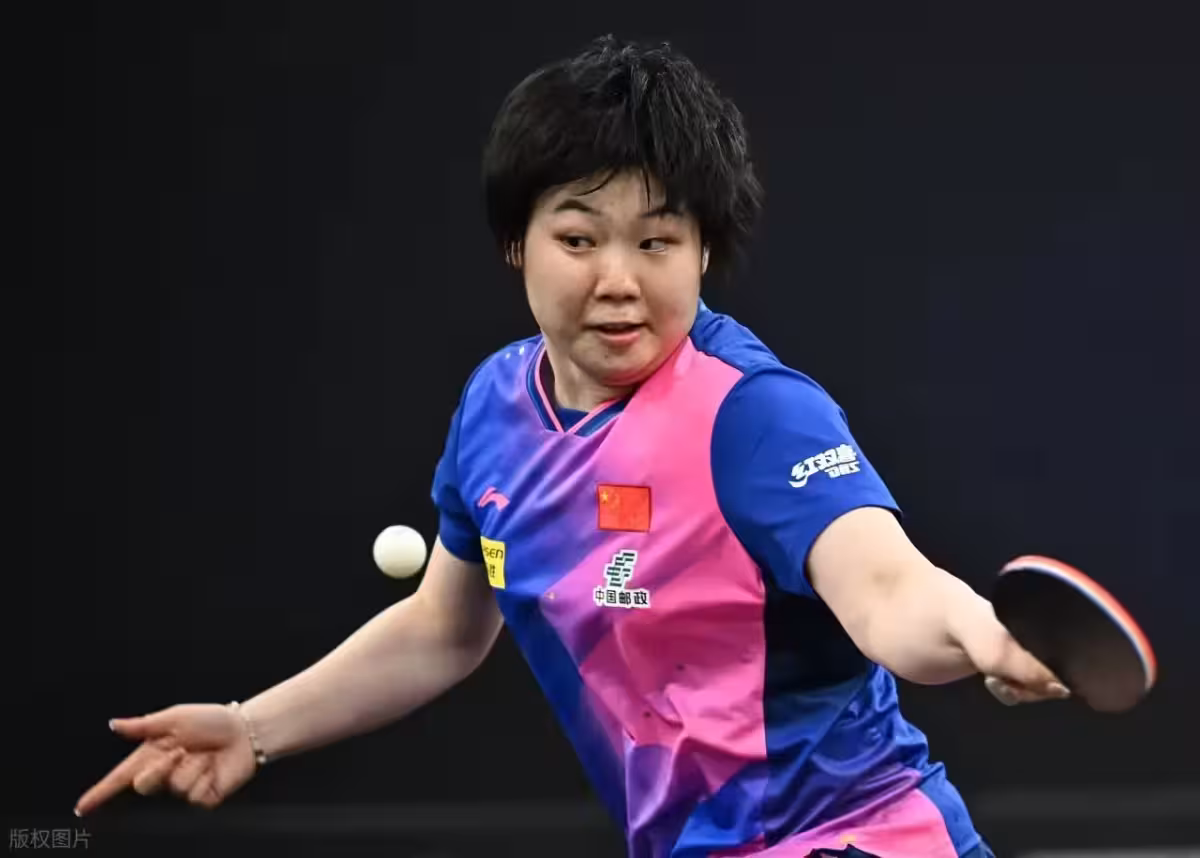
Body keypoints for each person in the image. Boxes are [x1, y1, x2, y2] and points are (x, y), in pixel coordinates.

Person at [75, 35, 1067, 857]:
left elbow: (886, 588)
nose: (619, 281)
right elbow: (441, 631)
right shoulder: (494, 411)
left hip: (855, 836)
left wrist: (981, 631)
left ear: (704, 250)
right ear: (519, 243)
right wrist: (253, 728)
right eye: (580, 239)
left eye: (657, 241)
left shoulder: (753, 415)